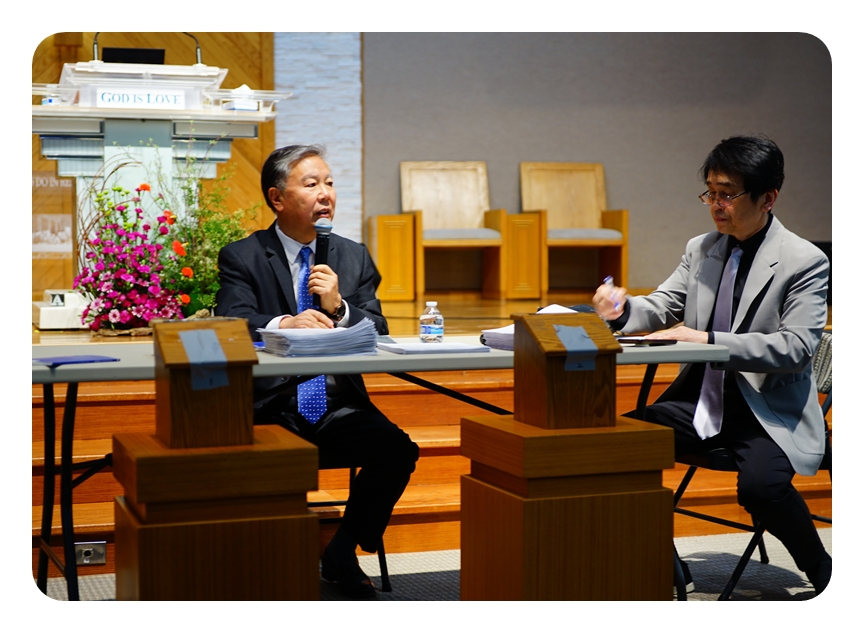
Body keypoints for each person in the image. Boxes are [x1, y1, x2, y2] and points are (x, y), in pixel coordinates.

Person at [593, 135, 831, 596]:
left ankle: (824, 571)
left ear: (768, 198)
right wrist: (621, 309)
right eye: (711, 192)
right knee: (611, 446)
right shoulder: (702, 249)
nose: (716, 205)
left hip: (766, 410)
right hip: (701, 403)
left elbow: (796, 347)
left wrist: (706, 339)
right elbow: (663, 305)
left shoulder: (804, 261)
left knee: (761, 489)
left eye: (728, 194)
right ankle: (667, 565)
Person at [215, 144, 420, 599]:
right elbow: (231, 319)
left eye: (329, 183)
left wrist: (340, 306)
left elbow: (379, 328)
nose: (325, 194)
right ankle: (264, 564)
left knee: (396, 450)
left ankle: (341, 553)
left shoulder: (353, 255)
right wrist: (283, 323)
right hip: (270, 405)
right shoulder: (244, 256)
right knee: (261, 459)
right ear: (277, 198)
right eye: (311, 184)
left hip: (336, 403)